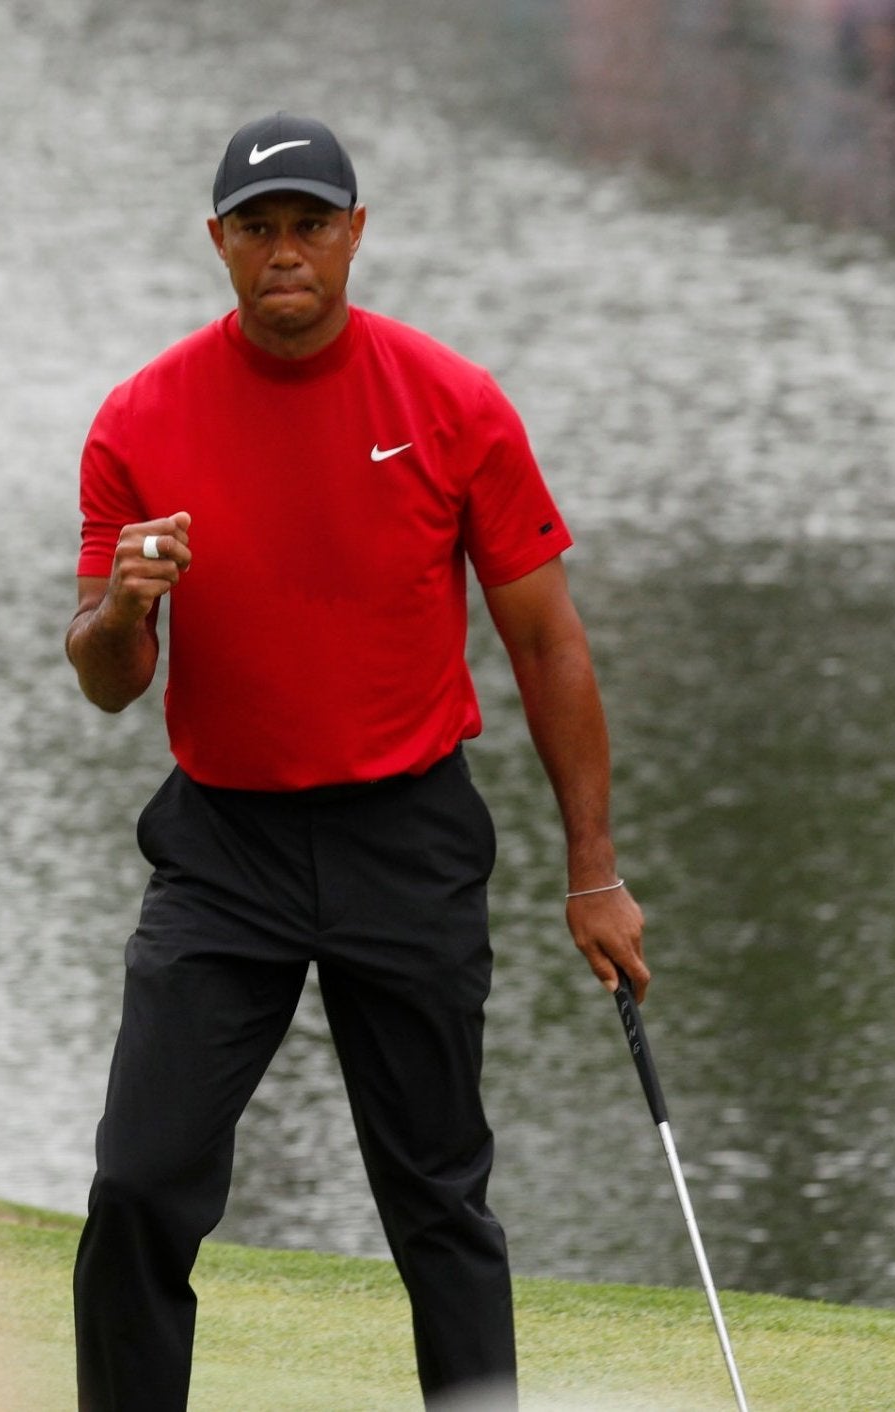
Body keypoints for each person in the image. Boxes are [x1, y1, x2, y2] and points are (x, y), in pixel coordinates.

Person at [65, 112, 648, 1410]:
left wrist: (592, 874)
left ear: (354, 234)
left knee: (437, 1198)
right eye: (259, 228)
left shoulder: (449, 402)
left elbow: (548, 645)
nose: (286, 251)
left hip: (407, 834)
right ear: (218, 241)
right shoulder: (139, 418)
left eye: (310, 225)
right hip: (223, 850)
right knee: (138, 1183)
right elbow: (109, 683)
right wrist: (125, 608)